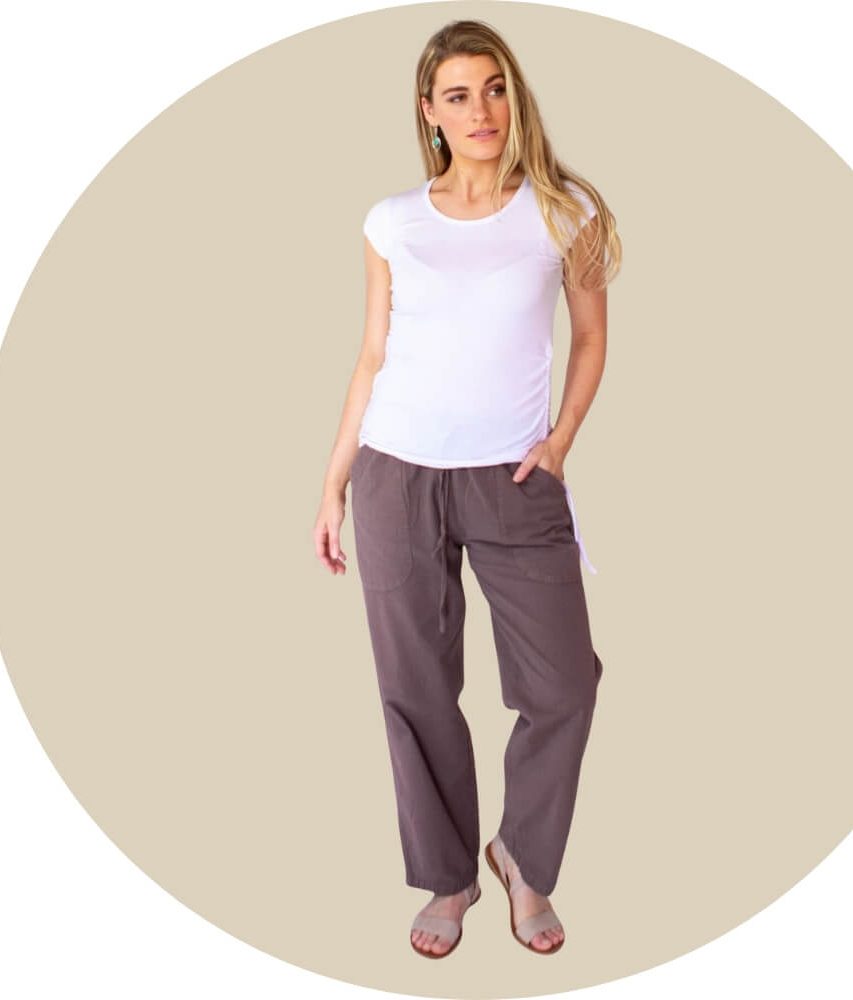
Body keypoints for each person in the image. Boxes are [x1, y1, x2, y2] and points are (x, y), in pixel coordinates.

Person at [315, 19, 621, 958]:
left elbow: (591, 337)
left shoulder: (565, 210)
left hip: (515, 478)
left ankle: (522, 856)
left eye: (494, 89)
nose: (481, 110)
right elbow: (373, 355)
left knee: (564, 685)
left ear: (514, 96)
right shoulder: (391, 222)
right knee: (413, 687)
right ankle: (449, 875)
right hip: (395, 473)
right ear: (429, 112)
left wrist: (561, 441)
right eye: (458, 95)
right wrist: (333, 484)